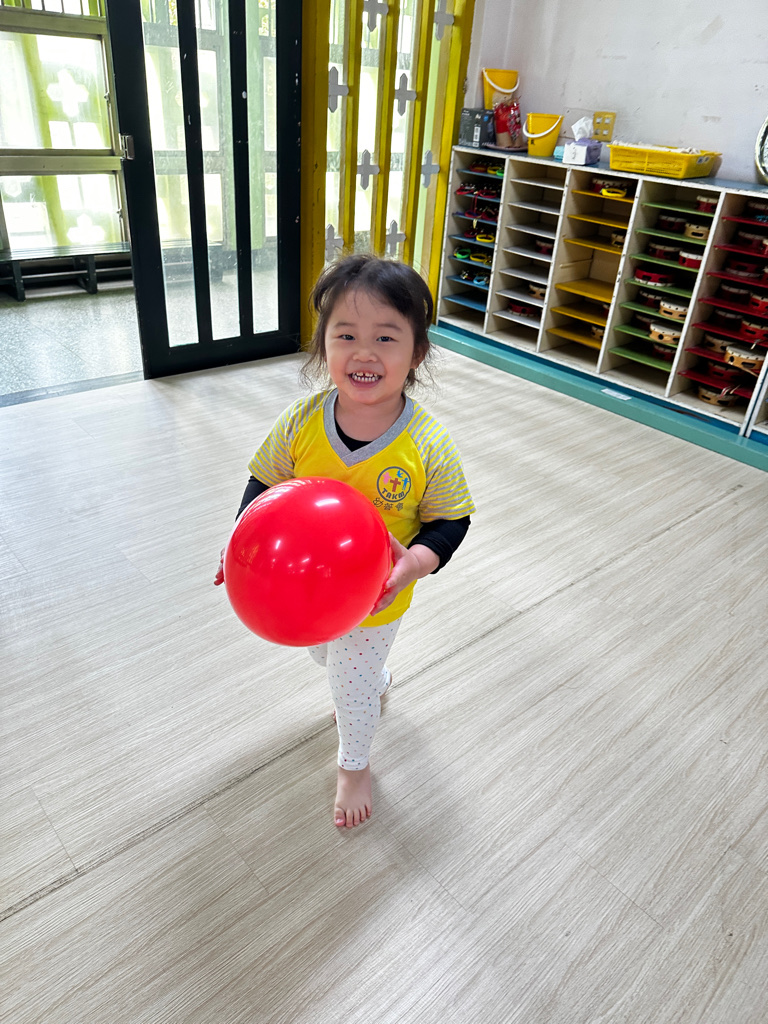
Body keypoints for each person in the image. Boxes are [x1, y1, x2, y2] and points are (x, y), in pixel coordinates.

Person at [215, 253, 475, 828]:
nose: (364, 353)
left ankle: (354, 765)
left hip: (377, 598)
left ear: (417, 353)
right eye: (346, 335)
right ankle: (371, 679)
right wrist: (239, 547)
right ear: (323, 344)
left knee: (348, 690)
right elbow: (263, 485)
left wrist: (416, 563)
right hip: (301, 596)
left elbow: (451, 521)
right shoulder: (300, 421)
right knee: (324, 654)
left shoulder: (427, 443)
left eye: (386, 337)